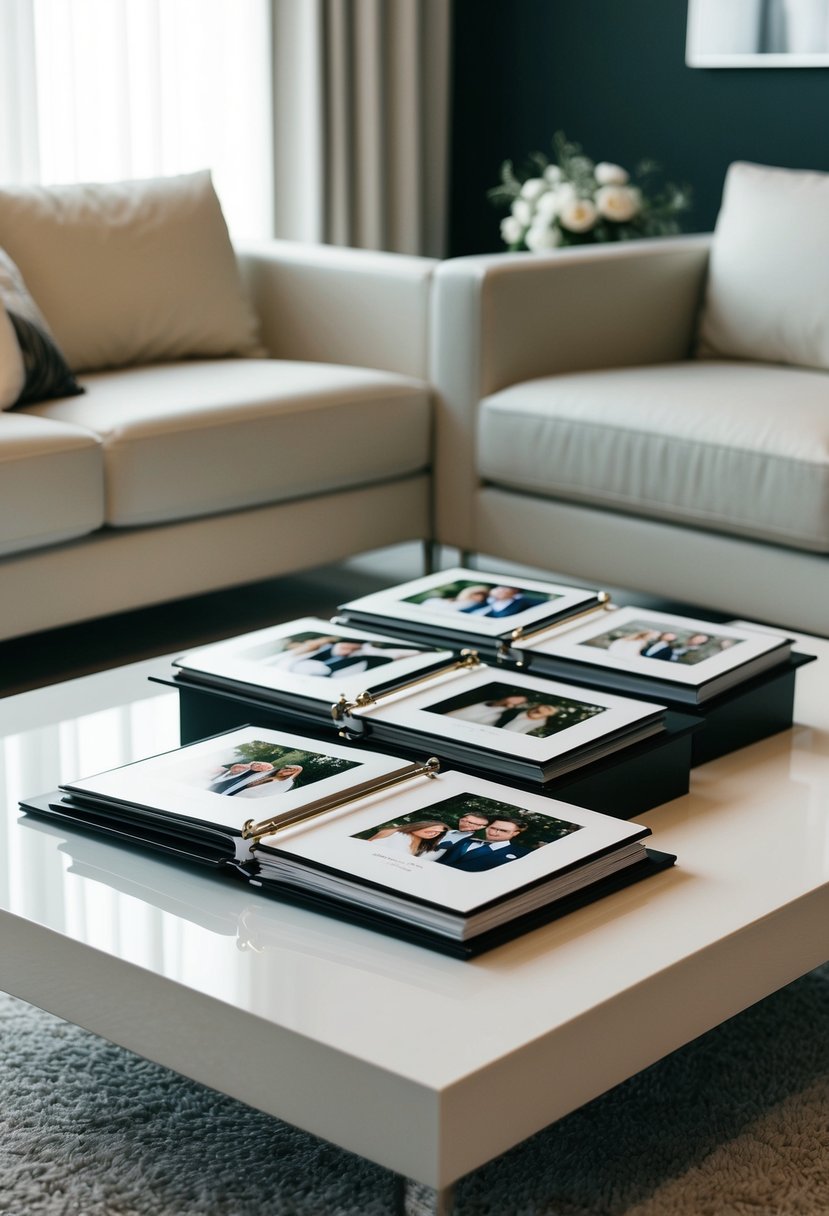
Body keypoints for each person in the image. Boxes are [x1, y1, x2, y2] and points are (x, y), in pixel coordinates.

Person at [437, 817, 532, 871]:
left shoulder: (522, 854)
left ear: (515, 833)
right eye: (493, 828)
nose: (494, 833)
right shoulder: (465, 841)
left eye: (503, 831)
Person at [367, 820, 450, 858]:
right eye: (433, 829)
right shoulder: (397, 834)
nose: (433, 833)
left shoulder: (422, 845)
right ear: (424, 825)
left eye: (438, 833)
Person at [443, 694, 530, 727]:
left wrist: (507, 706)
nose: (516, 701)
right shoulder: (485, 699)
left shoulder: (497, 714)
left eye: (519, 702)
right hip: (445, 718)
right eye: (517, 698)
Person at [460, 585, 540, 618]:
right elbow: (466, 610)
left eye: (505, 589)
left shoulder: (521, 602)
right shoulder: (489, 602)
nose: (500, 591)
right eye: (499, 588)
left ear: (515, 592)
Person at [233, 763, 304, 799]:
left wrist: (299, 769)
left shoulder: (284, 783)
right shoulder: (268, 773)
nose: (283, 771)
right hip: (235, 791)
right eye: (285, 769)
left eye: (289, 772)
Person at [208, 761, 275, 796]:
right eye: (260, 765)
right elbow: (233, 769)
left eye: (261, 769)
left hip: (227, 789)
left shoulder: (254, 776)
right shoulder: (244, 767)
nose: (259, 767)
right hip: (217, 783)